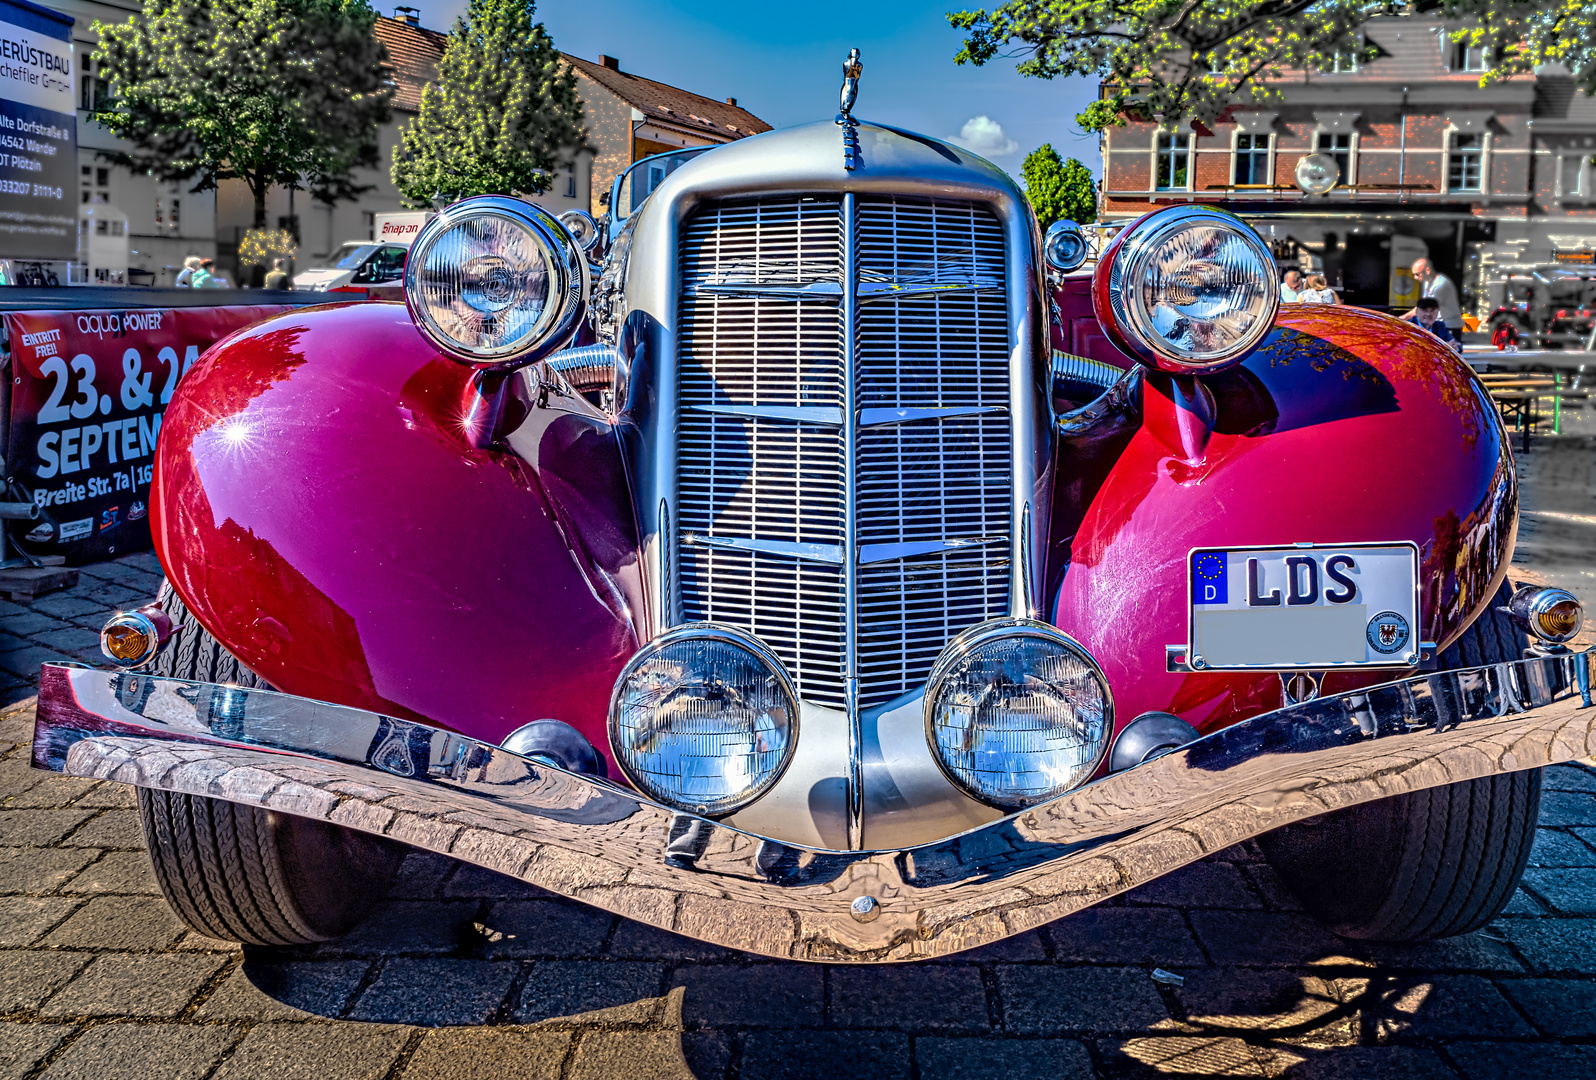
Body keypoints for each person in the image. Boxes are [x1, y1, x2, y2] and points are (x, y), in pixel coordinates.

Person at [1409, 258, 1462, 327]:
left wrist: (1403, 318)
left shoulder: (1440, 285)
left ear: (1427, 271)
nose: (1415, 277)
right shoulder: (1427, 282)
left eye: (1417, 274)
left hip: (1449, 325)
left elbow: (1425, 308)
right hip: (1438, 323)